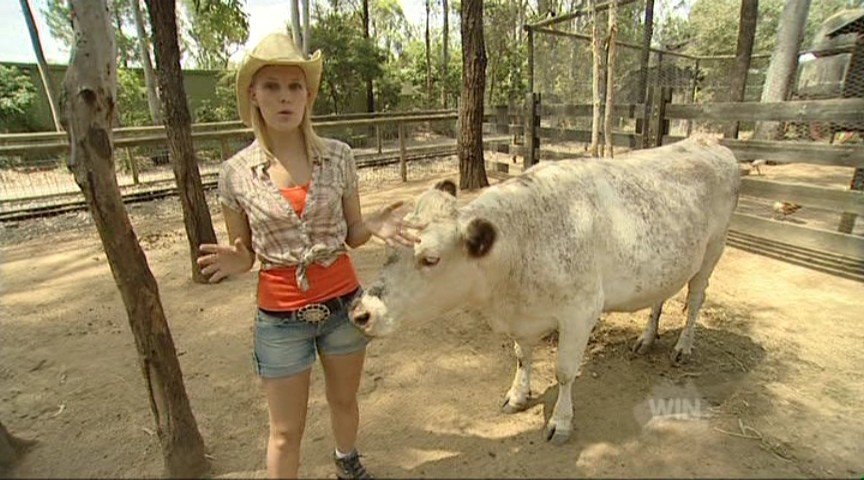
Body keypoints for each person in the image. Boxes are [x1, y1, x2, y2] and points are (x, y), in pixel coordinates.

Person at [197, 33, 418, 479]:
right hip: (280, 319)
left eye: (294, 86)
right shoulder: (234, 173)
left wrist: (372, 225)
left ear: (308, 95)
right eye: (272, 86)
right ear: (253, 95)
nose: (285, 97)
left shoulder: (339, 157)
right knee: (284, 432)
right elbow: (244, 251)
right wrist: (237, 260)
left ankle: (346, 461)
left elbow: (352, 235)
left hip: (343, 309)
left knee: (344, 401)